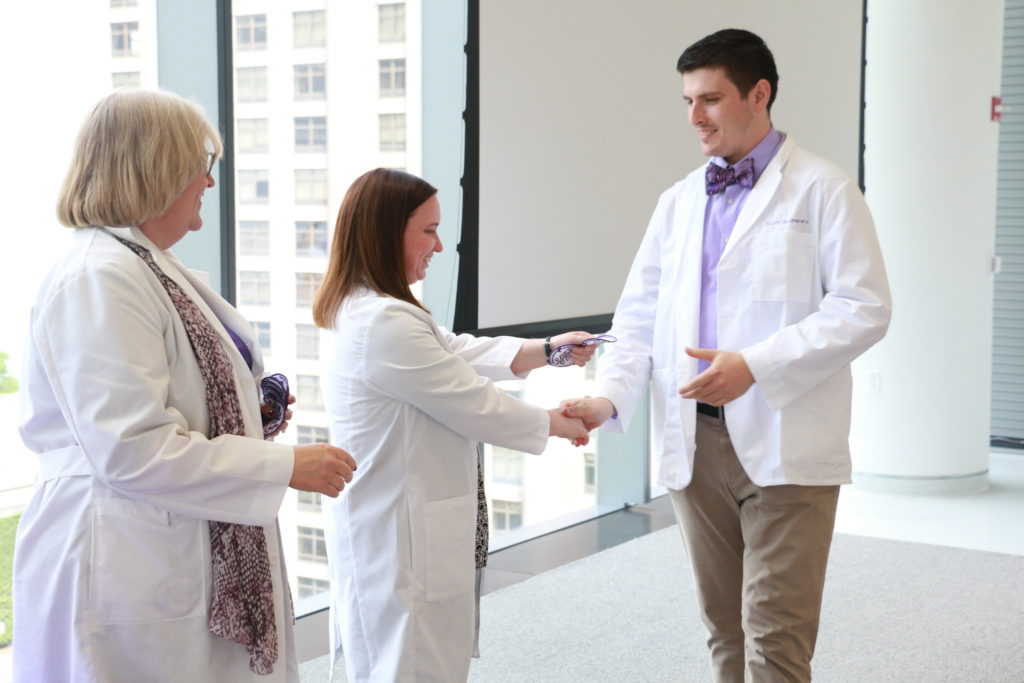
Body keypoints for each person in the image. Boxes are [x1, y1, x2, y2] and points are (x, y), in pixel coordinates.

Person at [561, 29, 891, 682]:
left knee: (776, 640)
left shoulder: (824, 190)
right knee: (724, 633)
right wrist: (607, 397)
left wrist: (755, 365)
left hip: (785, 436)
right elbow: (639, 318)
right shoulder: (678, 201)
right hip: (694, 444)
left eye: (709, 99)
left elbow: (865, 307)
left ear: (758, 94)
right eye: (688, 100)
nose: (694, 118)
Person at [14, 89, 356, 682]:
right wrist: (284, 465)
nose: (209, 183)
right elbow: (132, 448)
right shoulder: (100, 277)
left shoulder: (141, 265)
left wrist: (255, 407)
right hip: (127, 552)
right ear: (157, 170)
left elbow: (173, 393)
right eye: (203, 166)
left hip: (167, 539)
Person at [313, 168, 593, 682]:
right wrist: (559, 422)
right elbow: (472, 401)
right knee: (411, 665)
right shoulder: (383, 323)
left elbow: (457, 349)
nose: (439, 246)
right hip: (403, 542)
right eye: (428, 231)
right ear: (385, 233)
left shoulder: (375, 310)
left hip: (403, 530)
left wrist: (549, 350)